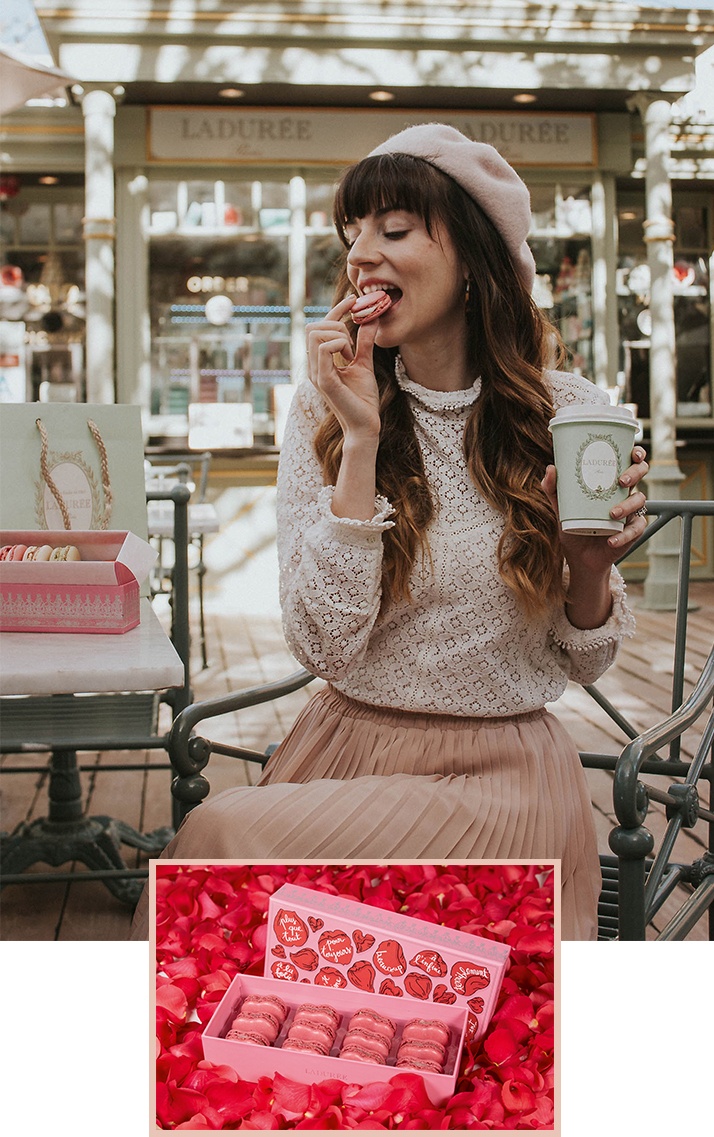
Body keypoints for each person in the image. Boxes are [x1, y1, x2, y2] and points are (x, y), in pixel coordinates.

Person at [131, 124, 648, 941]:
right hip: (346, 752)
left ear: (474, 259)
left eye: (394, 229)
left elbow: (583, 657)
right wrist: (361, 439)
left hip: (504, 779)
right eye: (353, 234)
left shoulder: (566, 413)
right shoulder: (326, 407)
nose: (361, 255)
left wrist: (588, 569)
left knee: (225, 835)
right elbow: (324, 647)